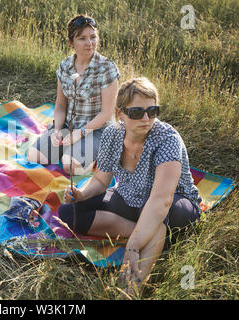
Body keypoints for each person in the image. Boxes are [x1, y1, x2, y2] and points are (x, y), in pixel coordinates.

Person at [58, 77, 202, 296]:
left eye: (152, 111)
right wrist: (82, 194)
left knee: (159, 215)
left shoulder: (167, 139)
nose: (146, 118)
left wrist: (132, 247)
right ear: (120, 113)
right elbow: (101, 180)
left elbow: (161, 200)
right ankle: (148, 233)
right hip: (129, 198)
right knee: (69, 211)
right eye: (136, 112)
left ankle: (132, 288)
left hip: (173, 205)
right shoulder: (112, 134)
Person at [27, 14, 120, 175]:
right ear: (71, 42)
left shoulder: (107, 68)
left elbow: (107, 112)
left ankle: (95, 153)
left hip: (97, 129)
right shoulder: (65, 66)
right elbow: (61, 105)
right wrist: (56, 130)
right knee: (34, 156)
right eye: (82, 38)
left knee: (71, 167)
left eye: (93, 37)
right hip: (68, 125)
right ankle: (71, 149)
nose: (89, 43)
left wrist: (81, 133)